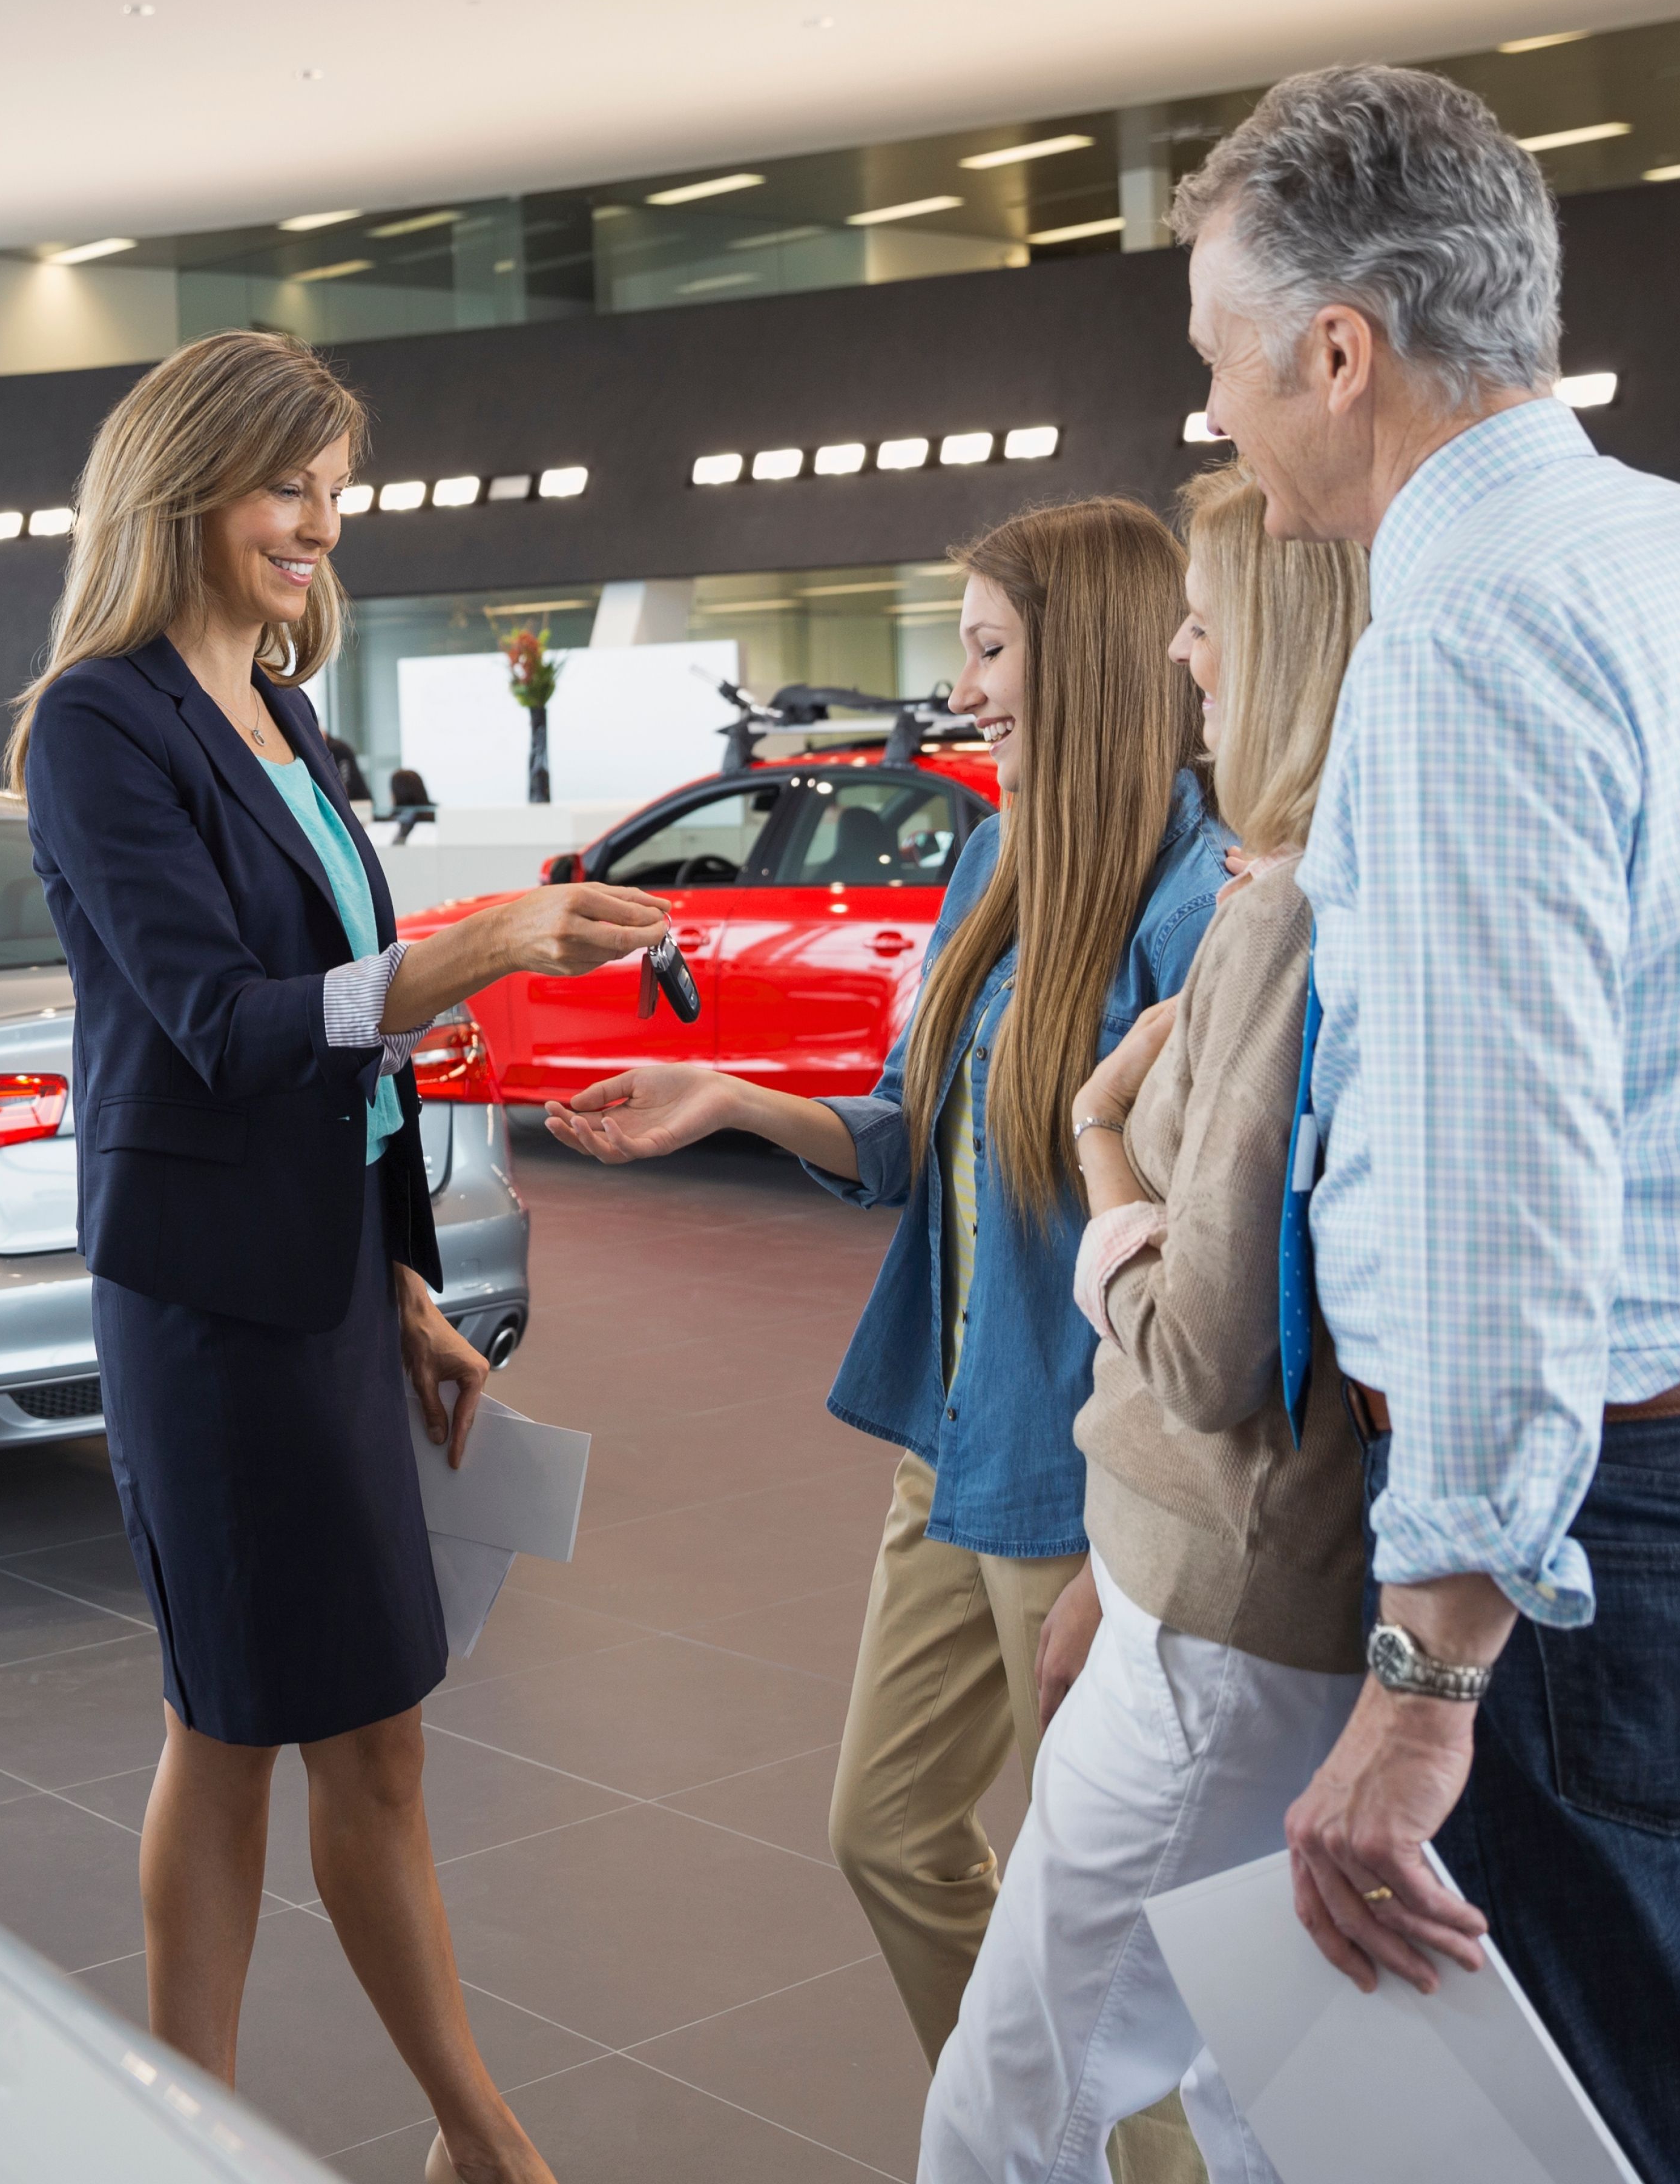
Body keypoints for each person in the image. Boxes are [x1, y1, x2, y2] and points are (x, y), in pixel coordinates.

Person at [1170, 65, 1680, 2183]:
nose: (1223, 430)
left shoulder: (1461, 639)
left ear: (1340, 353)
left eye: (1222, 373)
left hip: (1604, 1540)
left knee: (1626, 2129)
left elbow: (1494, 1203)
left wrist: (1427, 1680)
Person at [13, 330, 671, 2184]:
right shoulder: (98, 722)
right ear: (186, 489)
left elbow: (339, 1058)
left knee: (371, 1736)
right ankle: (328, 2136)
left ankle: (460, 2137)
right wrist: (491, 944)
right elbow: (227, 1025)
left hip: (318, 1286)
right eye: (287, 484)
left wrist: (399, 1288)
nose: (319, 522)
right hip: (209, 1309)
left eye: (331, 486)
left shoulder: (283, 715)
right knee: (236, 1726)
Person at [542, 496, 1226, 2181]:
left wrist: (1132, 1544)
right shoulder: (997, 857)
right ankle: (1021, 2141)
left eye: (990, 647)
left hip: (1085, 1481)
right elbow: (915, 1136)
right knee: (888, 1833)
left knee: (1108, 1943)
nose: (961, 685)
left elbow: (1206, 1257)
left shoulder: (1204, 893)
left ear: (1090, 656)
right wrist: (726, 1097)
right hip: (955, 1438)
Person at [915, 463, 1372, 2184]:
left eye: (1212, 622)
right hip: (1232, 1574)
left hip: (1215, 1589)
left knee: (1011, 2107)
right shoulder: (1338, 884)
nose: (1190, 656)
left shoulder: (1264, 911)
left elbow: (1208, 1345)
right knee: (1268, 2079)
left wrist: (1109, 1137)